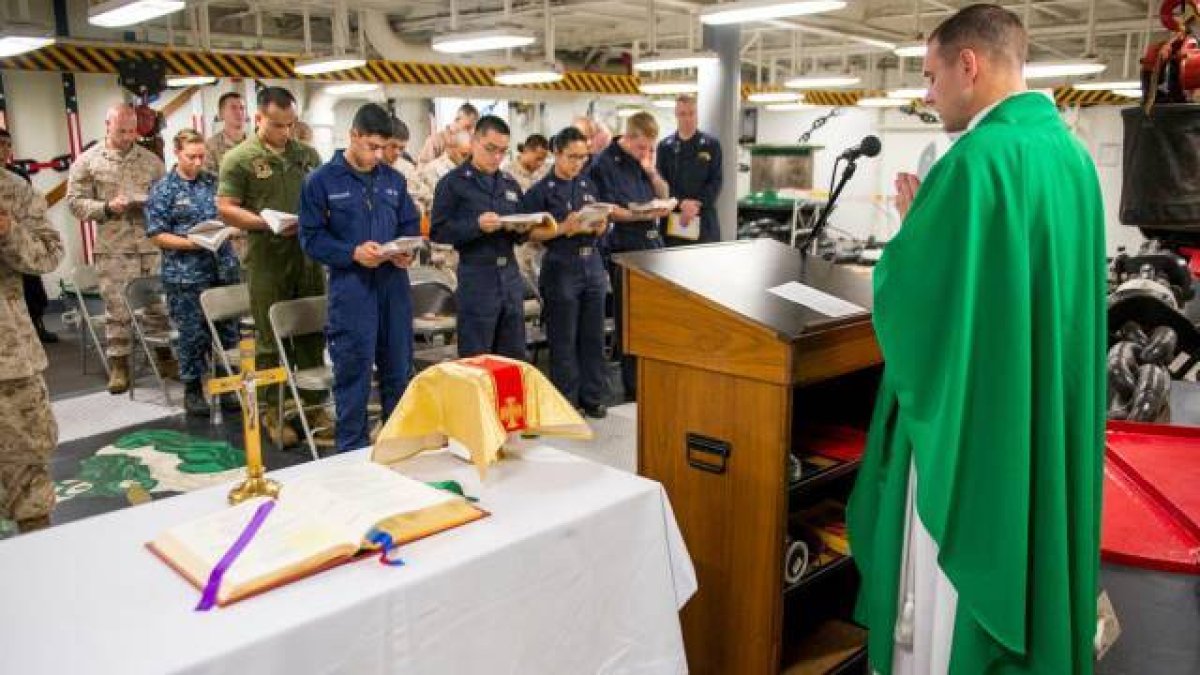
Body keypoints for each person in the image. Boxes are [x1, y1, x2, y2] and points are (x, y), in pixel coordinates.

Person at [845, 6, 1106, 675]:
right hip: (1033, 402)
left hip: (979, 423)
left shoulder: (975, 161)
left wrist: (911, 230)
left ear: (971, 64)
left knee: (954, 582)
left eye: (932, 78)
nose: (927, 97)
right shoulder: (1071, 158)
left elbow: (920, 299)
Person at [300, 104, 420, 453]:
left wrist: (406, 250)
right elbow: (311, 238)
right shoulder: (321, 181)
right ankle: (350, 456)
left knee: (398, 371)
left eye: (384, 148)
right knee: (354, 376)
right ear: (352, 136)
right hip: (352, 289)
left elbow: (409, 225)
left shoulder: (393, 180)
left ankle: (398, 448)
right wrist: (351, 253)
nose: (379, 155)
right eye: (371, 147)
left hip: (393, 288)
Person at [217, 86, 327, 448]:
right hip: (267, 257)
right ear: (259, 118)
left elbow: (324, 196)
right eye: (278, 125)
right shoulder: (239, 158)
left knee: (311, 331)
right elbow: (226, 207)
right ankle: (273, 410)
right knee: (269, 339)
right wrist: (265, 223)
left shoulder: (307, 154)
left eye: (290, 124)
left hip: (308, 255)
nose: (285, 132)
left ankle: (313, 407)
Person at [66, 103, 169, 394]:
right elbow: (74, 202)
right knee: (117, 309)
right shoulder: (88, 161)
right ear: (108, 126)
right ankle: (119, 366)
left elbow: (166, 197)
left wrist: (152, 203)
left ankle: (164, 357)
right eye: (121, 130)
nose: (127, 136)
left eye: (131, 130)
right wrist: (107, 207)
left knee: (156, 307)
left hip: (149, 245)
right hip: (114, 248)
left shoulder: (151, 161)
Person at [144, 129, 241, 417]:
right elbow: (157, 235)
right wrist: (192, 243)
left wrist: (230, 230)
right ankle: (193, 390)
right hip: (185, 275)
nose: (198, 162)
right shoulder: (164, 189)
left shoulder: (213, 183)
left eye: (201, 156)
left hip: (221, 269)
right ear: (177, 153)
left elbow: (229, 215)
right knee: (192, 335)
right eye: (191, 157)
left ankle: (227, 388)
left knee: (228, 333)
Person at [518, 127, 609, 418]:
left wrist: (600, 224)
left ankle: (592, 396)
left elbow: (602, 219)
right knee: (564, 338)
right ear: (556, 154)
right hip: (562, 264)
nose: (578, 163)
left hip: (591, 262)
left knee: (593, 335)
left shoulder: (587, 184)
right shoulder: (541, 191)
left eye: (583, 157)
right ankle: (567, 402)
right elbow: (530, 233)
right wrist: (563, 227)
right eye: (572, 157)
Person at [0, 162, 64, 533]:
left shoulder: (12, 188)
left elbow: (49, 253)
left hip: (8, 356)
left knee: (27, 469)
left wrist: (9, 231)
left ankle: (38, 559)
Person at [588, 111, 670, 400]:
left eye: (650, 148)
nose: (645, 152)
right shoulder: (604, 164)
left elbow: (664, 190)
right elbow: (606, 208)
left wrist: (650, 170)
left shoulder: (642, 162)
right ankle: (633, 387)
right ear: (628, 136)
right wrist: (639, 214)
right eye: (641, 147)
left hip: (652, 244)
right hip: (624, 247)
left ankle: (653, 379)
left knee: (654, 318)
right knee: (631, 321)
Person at [430, 115, 527, 359]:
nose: (496, 157)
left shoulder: (510, 184)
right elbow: (439, 231)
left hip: (510, 276)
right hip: (477, 276)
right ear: (474, 142)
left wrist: (522, 228)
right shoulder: (453, 184)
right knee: (477, 358)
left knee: (513, 356)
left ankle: (508, 400)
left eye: (502, 152)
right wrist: (476, 226)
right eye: (490, 149)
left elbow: (522, 230)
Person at [0, 129, 57, 344]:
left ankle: (37, 324)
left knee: (32, 285)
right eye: (0, 143)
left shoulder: (18, 178)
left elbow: (31, 211)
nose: (4, 149)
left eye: (7, 144)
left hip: (21, 238)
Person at [657, 95, 723, 245]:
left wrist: (696, 204)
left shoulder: (711, 145)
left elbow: (716, 180)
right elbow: (661, 182)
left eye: (691, 113)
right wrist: (681, 203)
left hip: (703, 219)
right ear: (676, 115)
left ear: (697, 114)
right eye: (682, 114)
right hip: (674, 220)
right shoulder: (665, 147)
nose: (687, 118)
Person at [383, 117, 433, 212]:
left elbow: (426, 198)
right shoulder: (369, 166)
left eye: (401, 148)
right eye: (393, 146)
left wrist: (419, 207)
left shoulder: (407, 169)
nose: (397, 152)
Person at [204, 91, 247, 175]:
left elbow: (264, 175)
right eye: (233, 108)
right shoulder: (210, 146)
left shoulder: (257, 143)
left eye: (242, 108)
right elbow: (209, 180)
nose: (239, 112)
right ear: (221, 114)